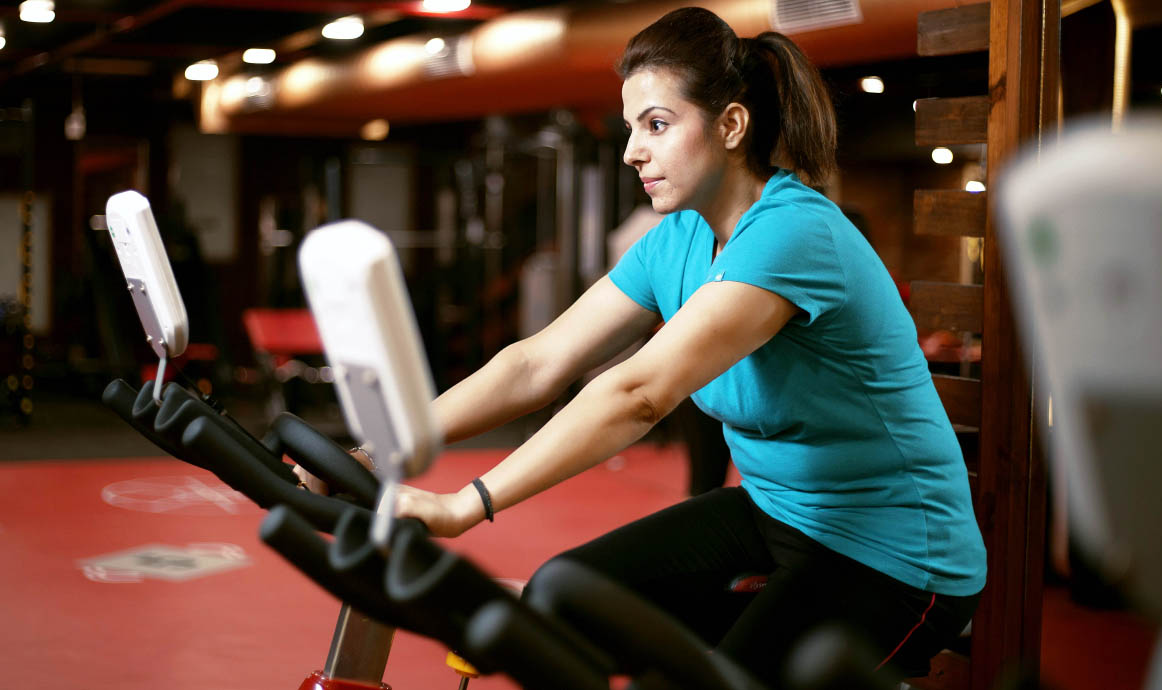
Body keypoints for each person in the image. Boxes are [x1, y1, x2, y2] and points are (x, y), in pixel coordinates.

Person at [309, 7, 987, 685]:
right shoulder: (677, 240)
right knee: (562, 593)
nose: (633, 149)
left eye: (656, 124)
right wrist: (375, 450)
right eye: (632, 127)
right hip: (779, 513)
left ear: (730, 126)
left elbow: (639, 395)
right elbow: (536, 362)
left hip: (895, 556)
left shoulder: (793, 233)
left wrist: (467, 503)